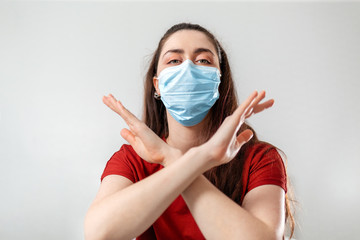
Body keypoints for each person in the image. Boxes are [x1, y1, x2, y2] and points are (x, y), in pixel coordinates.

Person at [84, 22, 295, 240]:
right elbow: (99, 233)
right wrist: (202, 158)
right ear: (158, 85)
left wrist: (170, 159)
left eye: (203, 60)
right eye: (174, 60)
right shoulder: (131, 159)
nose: (188, 69)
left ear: (219, 81)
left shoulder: (260, 158)